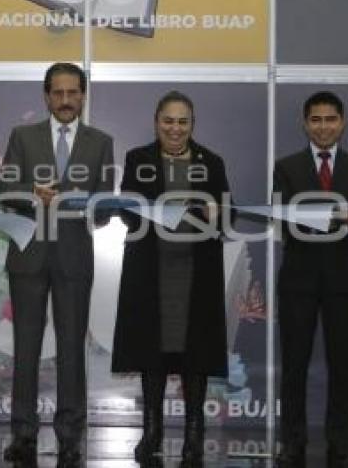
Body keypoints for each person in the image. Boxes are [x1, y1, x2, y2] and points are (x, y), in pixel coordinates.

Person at [0, 62, 114, 468]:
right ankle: (23, 435)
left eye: (73, 93)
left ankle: (70, 437)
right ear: (47, 96)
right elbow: (5, 191)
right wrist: (31, 193)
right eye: (58, 93)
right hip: (29, 255)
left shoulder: (101, 142)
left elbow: (105, 205)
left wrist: (92, 206)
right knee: (26, 351)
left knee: (71, 350)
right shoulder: (22, 136)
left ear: (83, 96)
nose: (66, 101)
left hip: (74, 256)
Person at [111, 92, 231, 468]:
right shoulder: (138, 159)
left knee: (194, 355)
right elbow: (128, 215)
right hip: (152, 270)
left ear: (192, 124)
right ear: (156, 121)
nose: (175, 129)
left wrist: (217, 212)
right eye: (168, 121)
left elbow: (228, 219)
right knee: (153, 354)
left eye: (183, 122)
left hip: (196, 271)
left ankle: (195, 435)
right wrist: (140, 209)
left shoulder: (212, 162)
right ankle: (153, 433)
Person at [274, 92, 348, 468]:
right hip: (298, 282)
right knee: (294, 366)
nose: (323, 126)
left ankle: (341, 443)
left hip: (343, 282)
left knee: (341, 365)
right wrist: (328, 217)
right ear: (305, 124)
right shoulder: (285, 167)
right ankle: (292, 442)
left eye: (330, 119)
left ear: (342, 122)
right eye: (315, 120)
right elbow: (285, 220)